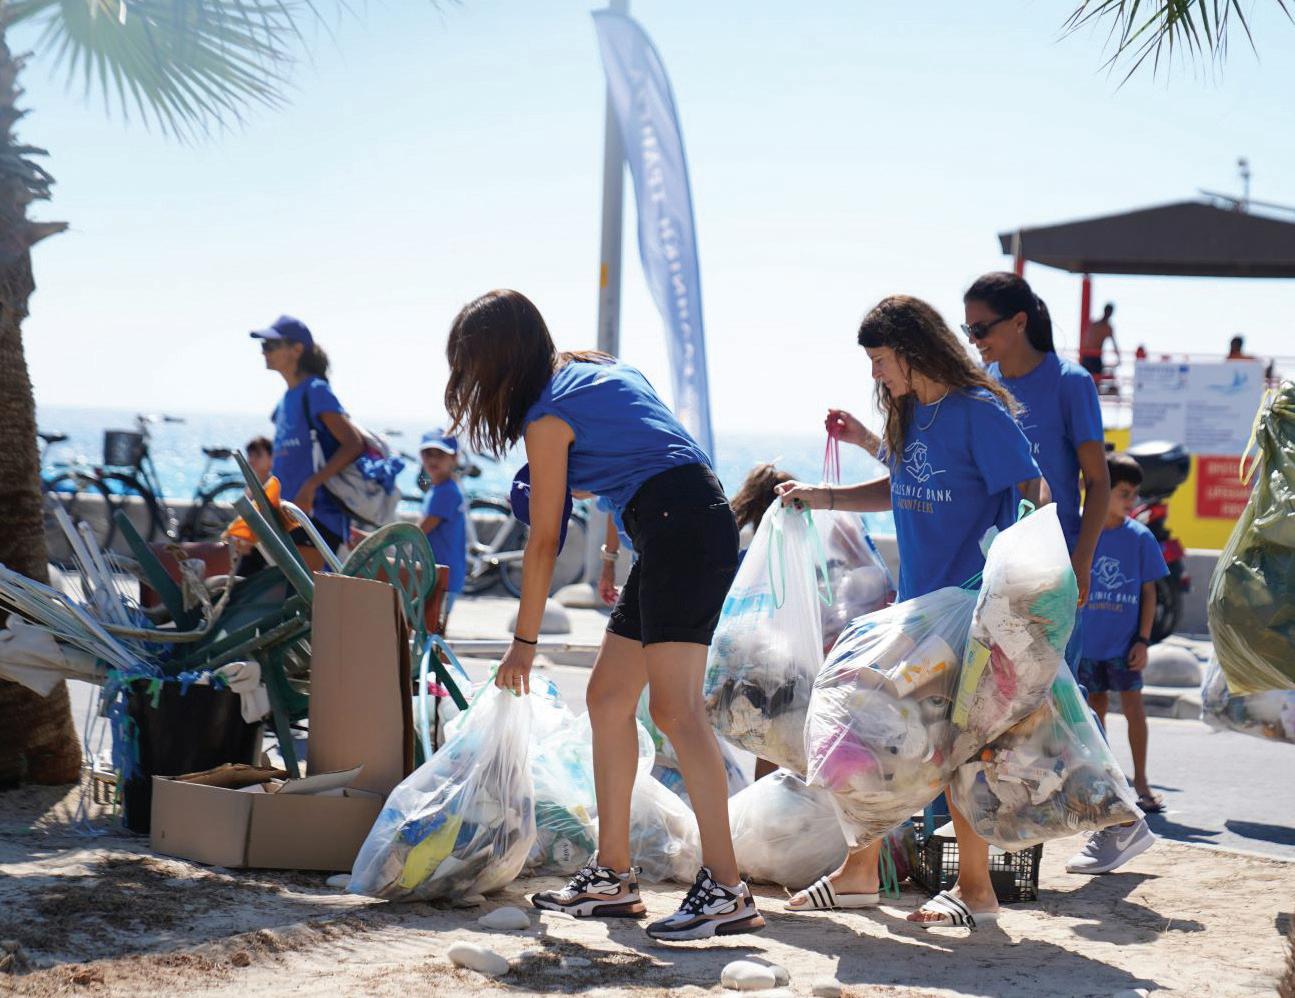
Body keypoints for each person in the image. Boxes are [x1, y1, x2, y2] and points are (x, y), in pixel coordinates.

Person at [444, 289, 764, 941]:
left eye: (472, 369)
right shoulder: (595, 369)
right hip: (677, 520)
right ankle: (612, 875)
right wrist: (615, 548)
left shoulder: (546, 416)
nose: (471, 385)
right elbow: (648, 453)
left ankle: (726, 888)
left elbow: (543, 542)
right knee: (608, 698)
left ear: (499, 362)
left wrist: (524, 643)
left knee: (676, 712)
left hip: (678, 527)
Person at [778, 295, 1046, 928]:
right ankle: (860, 872)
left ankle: (974, 890)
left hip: (970, 609)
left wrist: (1019, 581)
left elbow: (1034, 489)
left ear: (912, 349)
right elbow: (900, 487)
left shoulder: (978, 411)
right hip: (917, 607)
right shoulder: (907, 412)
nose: (875, 372)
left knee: (958, 748)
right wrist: (822, 497)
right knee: (873, 731)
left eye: (880, 359)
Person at [965, 273, 1156, 875]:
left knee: (1059, 699)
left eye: (981, 327)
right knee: (1018, 703)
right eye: (968, 330)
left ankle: (1123, 820)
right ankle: (1025, 832)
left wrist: (1082, 561)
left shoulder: (1070, 382)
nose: (974, 340)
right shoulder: (985, 383)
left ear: (1019, 321)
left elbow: (1097, 481)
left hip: (1055, 569)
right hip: (1004, 567)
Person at [1067, 452, 1168, 873]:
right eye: (1123, 492)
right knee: (1096, 715)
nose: (1130, 501)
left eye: (1132, 494)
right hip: (1088, 644)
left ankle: (1141, 783)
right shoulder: (1081, 532)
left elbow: (1149, 592)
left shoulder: (1139, 537)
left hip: (1124, 646)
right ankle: (1113, 786)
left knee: (1133, 708)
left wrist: (1143, 639)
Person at [253, 315, 365, 568]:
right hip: (288, 516)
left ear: (297, 349)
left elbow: (353, 443)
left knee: (302, 593)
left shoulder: (316, 391)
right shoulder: (284, 401)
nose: (264, 352)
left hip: (316, 518)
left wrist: (311, 485)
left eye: (271, 345)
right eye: (263, 345)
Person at [728, 461, 796, 780]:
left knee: (767, 751)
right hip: (796, 668)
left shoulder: (743, 564)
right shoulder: (804, 562)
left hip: (751, 672)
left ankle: (765, 806)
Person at [417, 430, 467, 622]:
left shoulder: (445, 492)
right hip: (439, 575)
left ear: (454, 458)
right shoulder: (440, 488)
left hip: (442, 577)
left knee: (432, 631)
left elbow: (419, 531)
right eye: (427, 453)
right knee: (430, 629)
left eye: (440, 454)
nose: (432, 459)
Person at [1080, 302, 1119, 378]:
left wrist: (1118, 356)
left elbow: (1114, 343)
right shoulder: (1094, 324)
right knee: (1085, 378)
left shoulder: (1108, 328)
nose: (1108, 313)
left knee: (1096, 379)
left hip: (1096, 356)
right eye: (1107, 311)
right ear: (1104, 310)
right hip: (1088, 355)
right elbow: (1086, 339)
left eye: (1110, 311)